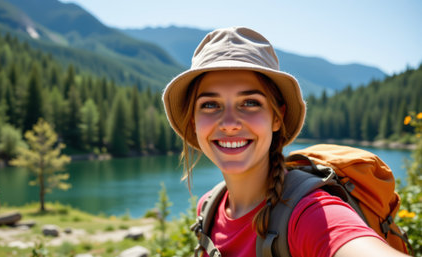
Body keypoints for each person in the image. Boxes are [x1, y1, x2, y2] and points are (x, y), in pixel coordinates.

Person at [162, 27, 409, 257]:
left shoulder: (310, 213)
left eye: (250, 103)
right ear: (193, 122)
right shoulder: (209, 207)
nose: (229, 123)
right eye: (210, 105)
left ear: (276, 118)